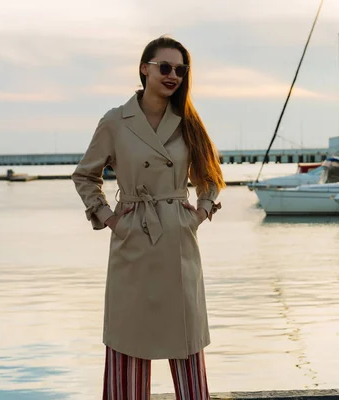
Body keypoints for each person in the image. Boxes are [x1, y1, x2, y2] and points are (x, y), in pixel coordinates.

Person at [72, 36, 225, 400]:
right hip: (133, 242)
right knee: (128, 349)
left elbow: (211, 176)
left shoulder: (188, 120)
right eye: (165, 67)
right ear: (145, 68)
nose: (173, 76)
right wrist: (110, 218)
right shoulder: (115, 121)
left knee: (187, 351)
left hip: (178, 241)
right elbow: (85, 175)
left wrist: (199, 213)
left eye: (180, 69)